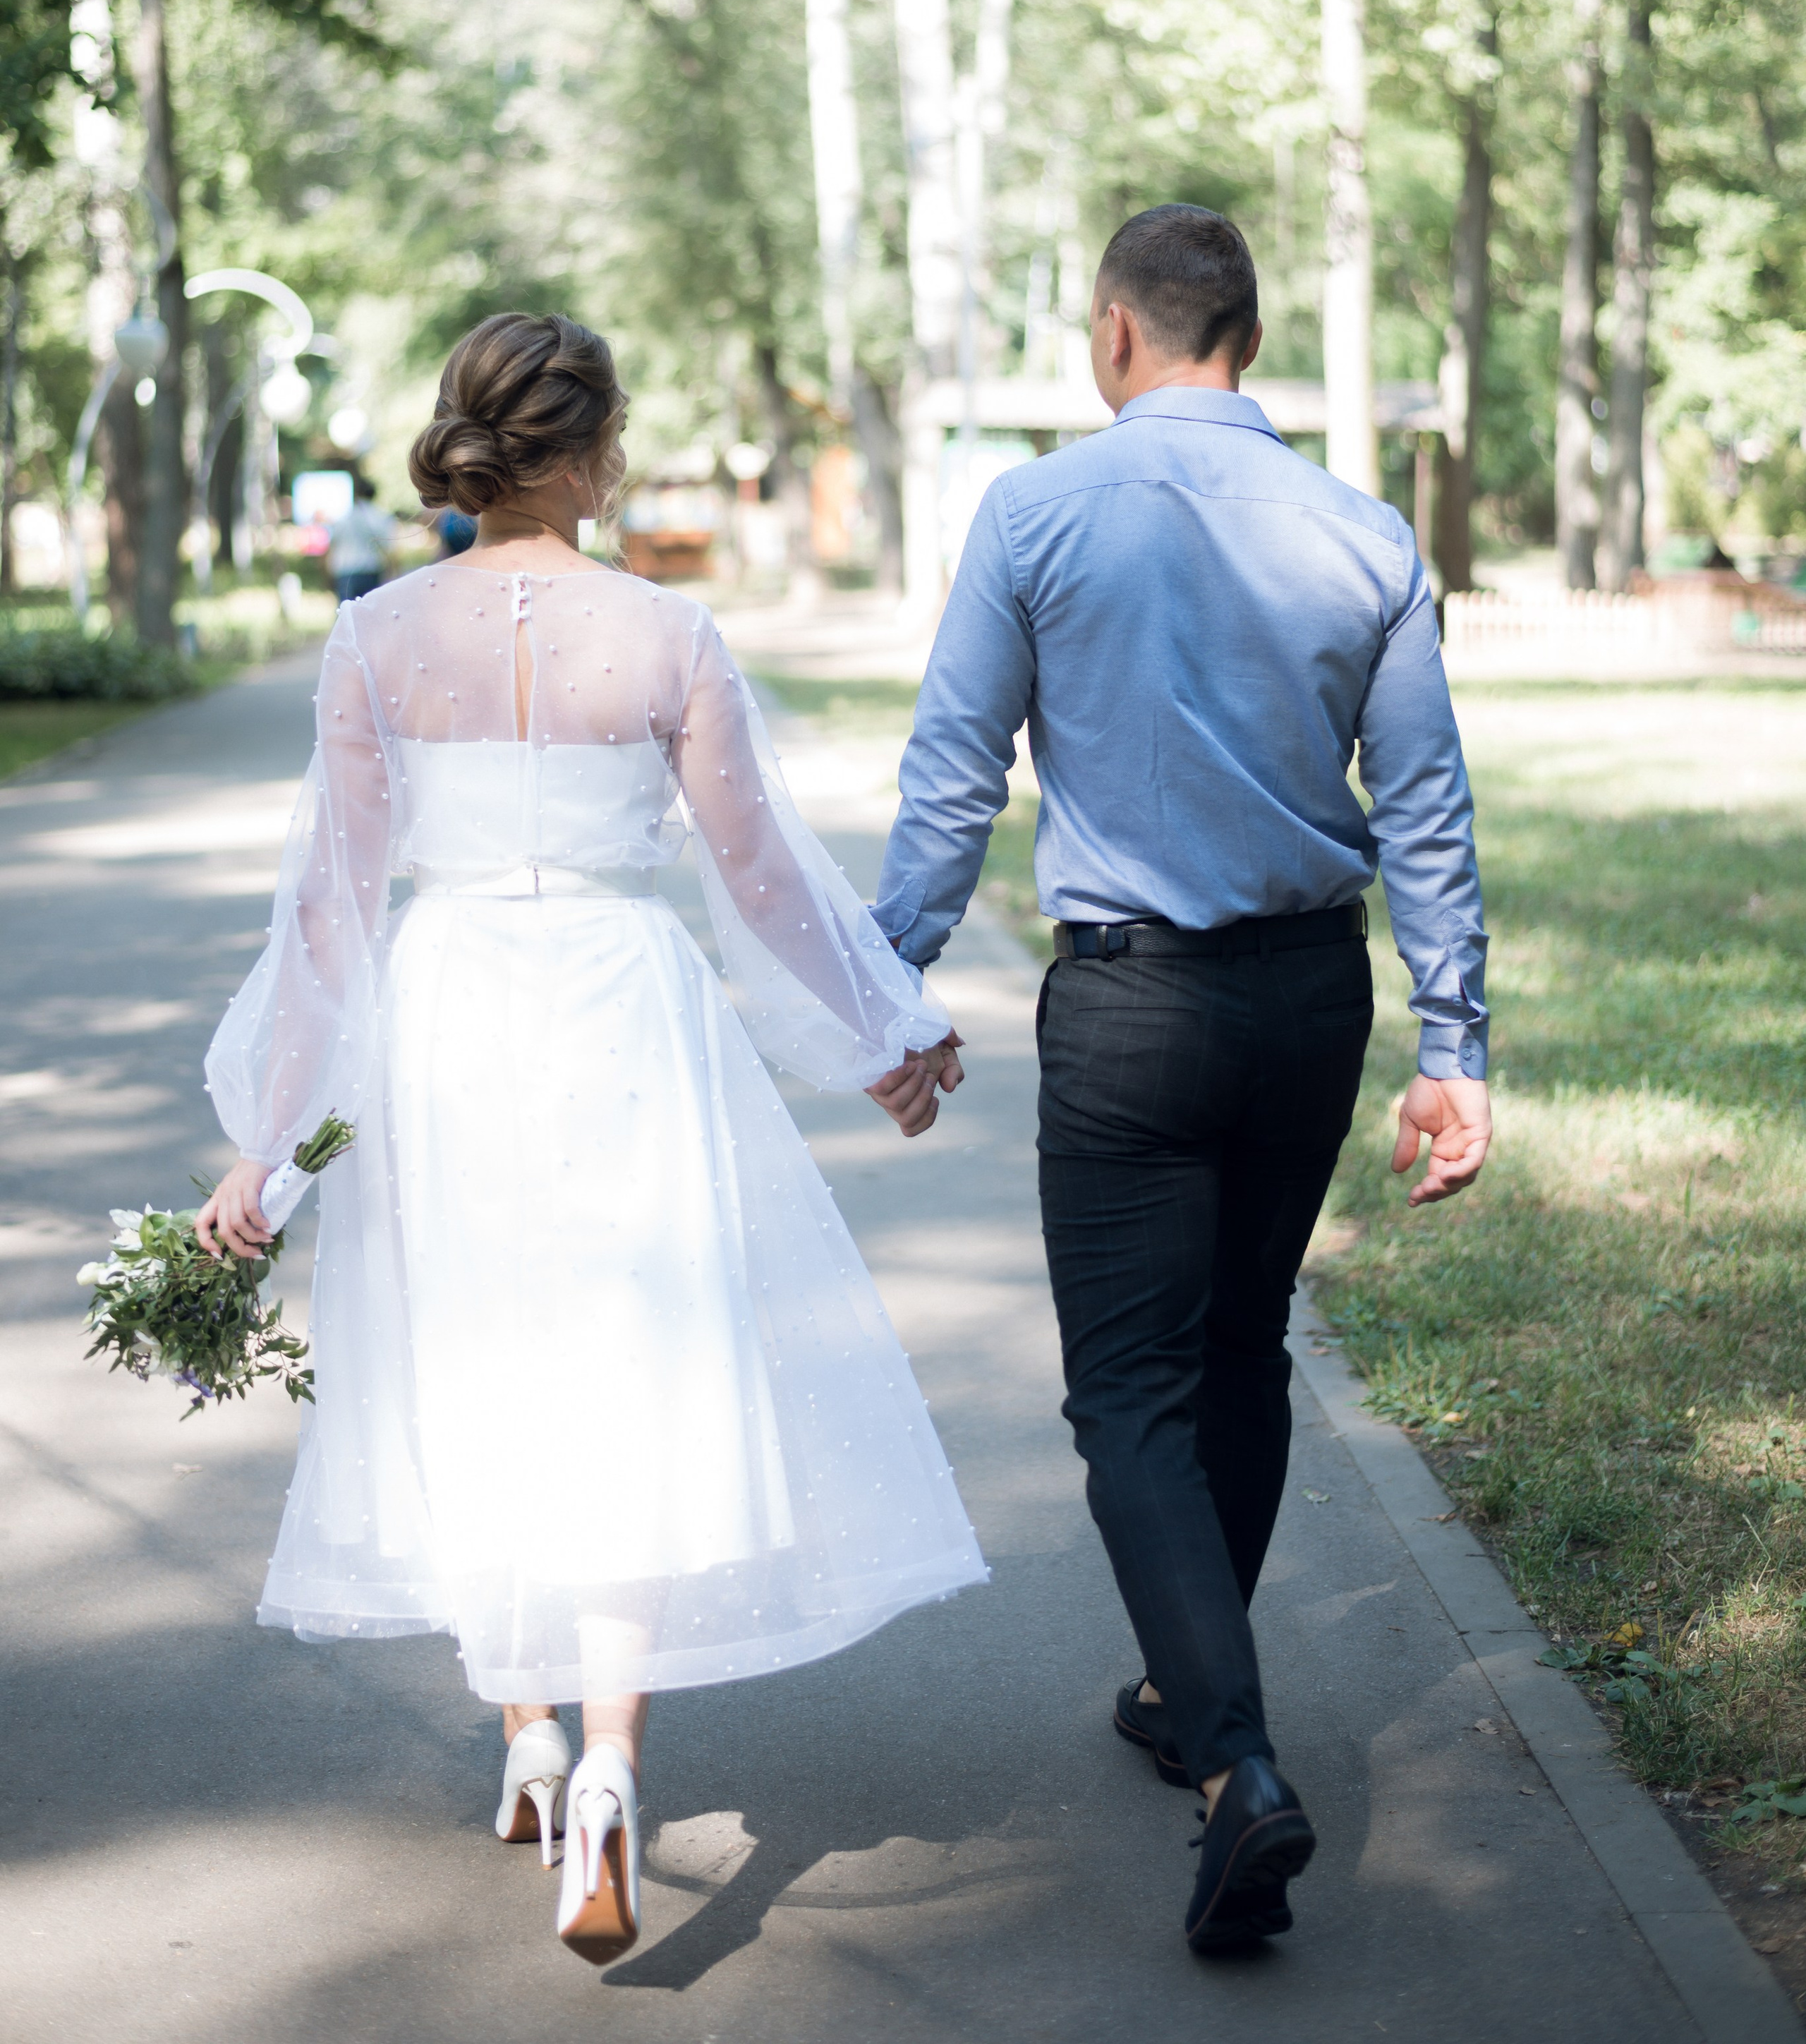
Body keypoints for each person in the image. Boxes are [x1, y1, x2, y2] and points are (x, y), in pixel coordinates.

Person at [196, 313, 978, 1966]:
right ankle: (614, 1763)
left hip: (444, 1020)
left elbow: (330, 917)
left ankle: (529, 1732)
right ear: (598, 449)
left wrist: (269, 1146)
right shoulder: (664, 630)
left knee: (474, 1354)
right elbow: (759, 877)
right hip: (621, 1008)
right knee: (625, 1361)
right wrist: (885, 1031)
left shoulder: (374, 640)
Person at [872, 204, 1491, 1958]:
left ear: (1117, 332)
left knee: (1128, 1389)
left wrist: (882, 984)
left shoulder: (1035, 508)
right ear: (1240, 332)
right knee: (1237, 1347)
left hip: (1129, 1006)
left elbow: (949, 775)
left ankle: (1233, 1762)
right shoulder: (1358, 529)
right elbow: (1426, 805)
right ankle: (1180, 1684)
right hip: (1308, 995)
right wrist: (1453, 1045)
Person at [326, 473, 396, 603]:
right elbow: (390, 550)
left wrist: (329, 574)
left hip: (345, 574)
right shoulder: (381, 518)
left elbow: (332, 546)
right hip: (371, 573)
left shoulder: (344, 518)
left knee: (347, 614)